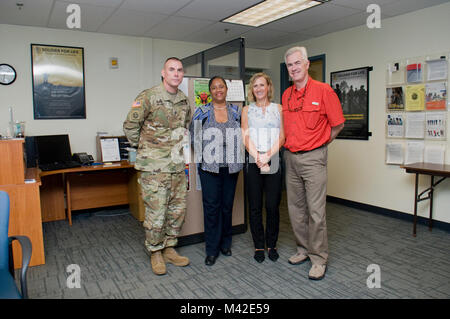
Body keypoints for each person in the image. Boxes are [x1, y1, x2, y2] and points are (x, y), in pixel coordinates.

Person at [123, 57, 191, 276]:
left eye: (180, 70)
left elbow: (185, 125)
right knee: (156, 212)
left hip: (177, 166)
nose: (176, 73)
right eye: (172, 69)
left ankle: (170, 248)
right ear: (163, 73)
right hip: (154, 167)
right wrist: (146, 149)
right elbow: (130, 126)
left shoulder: (184, 100)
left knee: (177, 210)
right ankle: (155, 251)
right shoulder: (148, 97)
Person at [282, 47, 345, 280]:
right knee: (295, 209)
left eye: (298, 63)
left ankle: (318, 258)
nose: (294, 68)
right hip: (290, 157)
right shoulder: (286, 95)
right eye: (290, 65)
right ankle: (302, 250)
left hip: (314, 158)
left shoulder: (324, 91)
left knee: (316, 211)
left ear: (307, 64)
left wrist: (320, 144)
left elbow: (338, 124)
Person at [190, 76, 243, 266]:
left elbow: (243, 136)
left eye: (221, 86)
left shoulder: (236, 111)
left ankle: (225, 243)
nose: (218, 90)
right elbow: (193, 137)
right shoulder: (201, 111)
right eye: (214, 87)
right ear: (210, 91)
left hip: (231, 167)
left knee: (227, 206)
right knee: (212, 208)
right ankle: (212, 249)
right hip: (209, 168)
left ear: (226, 89)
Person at [241, 72, 285, 263]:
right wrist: (258, 157)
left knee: (272, 205)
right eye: (255, 86)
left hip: (273, 158)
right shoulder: (246, 110)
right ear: (252, 90)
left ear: (268, 87)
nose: (258, 89)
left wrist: (267, 156)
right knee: (255, 206)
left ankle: (272, 244)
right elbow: (245, 136)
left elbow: (282, 136)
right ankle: (259, 245)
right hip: (253, 159)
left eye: (262, 85)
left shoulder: (279, 108)